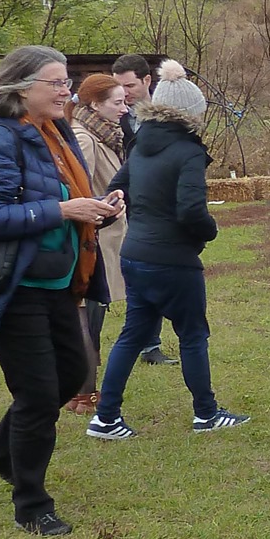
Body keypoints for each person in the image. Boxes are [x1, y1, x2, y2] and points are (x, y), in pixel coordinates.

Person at [0, 45, 123, 536]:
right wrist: (64, 212)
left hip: (57, 281)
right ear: (19, 88)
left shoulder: (53, 132)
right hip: (11, 287)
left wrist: (95, 205)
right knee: (37, 394)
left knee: (72, 373)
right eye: (56, 82)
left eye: (66, 81)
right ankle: (31, 503)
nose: (66, 90)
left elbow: (58, 196)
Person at [85, 73, 249, 439]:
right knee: (192, 335)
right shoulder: (188, 150)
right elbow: (191, 209)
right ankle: (206, 413)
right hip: (172, 259)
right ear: (192, 112)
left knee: (132, 334)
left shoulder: (141, 142)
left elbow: (115, 189)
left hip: (136, 253)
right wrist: (209, 232)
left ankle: (105, 417)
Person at [68, 73, 133, 412]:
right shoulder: (85, 138)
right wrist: (106, 206)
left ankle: (83, 391)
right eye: (117, 102)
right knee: (87, 319)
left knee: (94, 316)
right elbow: (79, 193)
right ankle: (85, 394)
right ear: (95, 104)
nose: (124, 108)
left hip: (106, 236)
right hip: (93, 241)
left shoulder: (104, 135)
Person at [110, 52, 178, 367]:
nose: (124, 93)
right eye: (119, 87)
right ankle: (147, 344)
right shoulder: (117, 118)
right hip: (133, 205)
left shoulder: (167, 113)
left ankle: (148, 341)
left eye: (130, 85)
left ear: (147, 80)